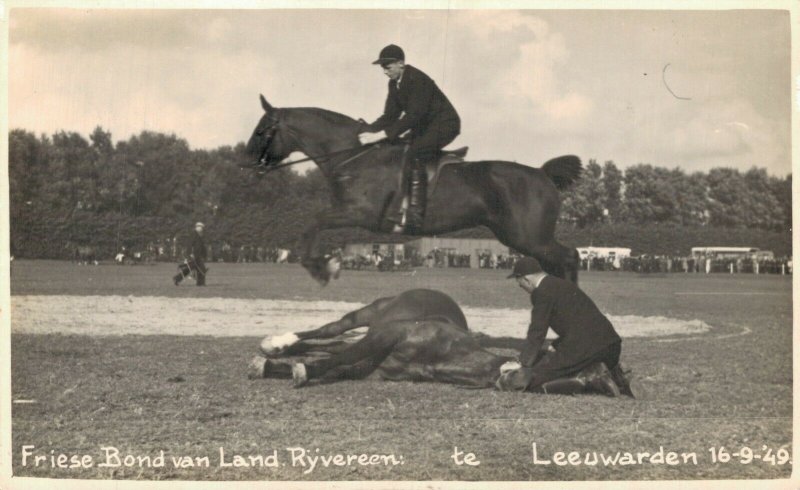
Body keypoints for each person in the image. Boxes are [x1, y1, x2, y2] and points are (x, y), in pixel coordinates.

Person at [248, 289, 624, 397]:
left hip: (435, 354)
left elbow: (355, 348)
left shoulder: (400, 327)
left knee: (355, 356)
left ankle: (297, 360)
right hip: (438, 358)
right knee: (354, 358)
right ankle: (293, 356)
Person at [496, 256, 637, 397]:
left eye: (520, 283)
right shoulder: (563, 284)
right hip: (612, 348)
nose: (522, 287)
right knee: (563, 366)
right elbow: (579, 321)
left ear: (526, 279)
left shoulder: (541, 292)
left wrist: (523, 364)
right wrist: (557, 344)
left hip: (586, 349)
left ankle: (591, 380)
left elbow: (537, 331)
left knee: (530, 381)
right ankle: (614, 374)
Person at [358, 44, 461, 231]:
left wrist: (380, 135)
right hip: (427, 126)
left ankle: (415, 214)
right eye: (383, 68)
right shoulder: (394, 84)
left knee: (414, 153)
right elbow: (389, 116)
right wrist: (367, 130)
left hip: (445, 125)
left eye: (387, 67)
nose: (385, 72)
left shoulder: (418, 80)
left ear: (400, 64)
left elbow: (414, 116)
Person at [173, 222, 208, 286]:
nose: (202, 229)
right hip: (194, 255)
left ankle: (177, 278)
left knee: (190, 269)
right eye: (201, 227)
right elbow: (189, 245)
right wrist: (190, 253)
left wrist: (204, 255)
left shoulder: (199, 235)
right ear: (198, 227)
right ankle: (200, 283)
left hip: (197, 255)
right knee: (201, 268)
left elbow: (201, 246)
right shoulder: (194, 234)